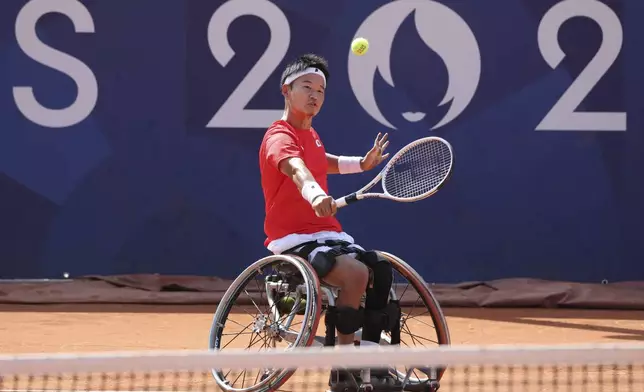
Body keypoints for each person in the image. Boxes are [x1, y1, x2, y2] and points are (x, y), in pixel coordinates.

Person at [258, 53, 400, 385]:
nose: (314, 96)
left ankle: (370, 356)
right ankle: (345, 369)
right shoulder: (278, 137)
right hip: (293, 238)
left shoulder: (312, 136)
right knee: (354, 274)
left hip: (327, 235)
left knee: (380, 270)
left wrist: (361, 165)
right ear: (286, 90)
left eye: (321, 91)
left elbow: (324, 161)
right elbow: (298, 169)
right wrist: (315, 195)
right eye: (306, 87)